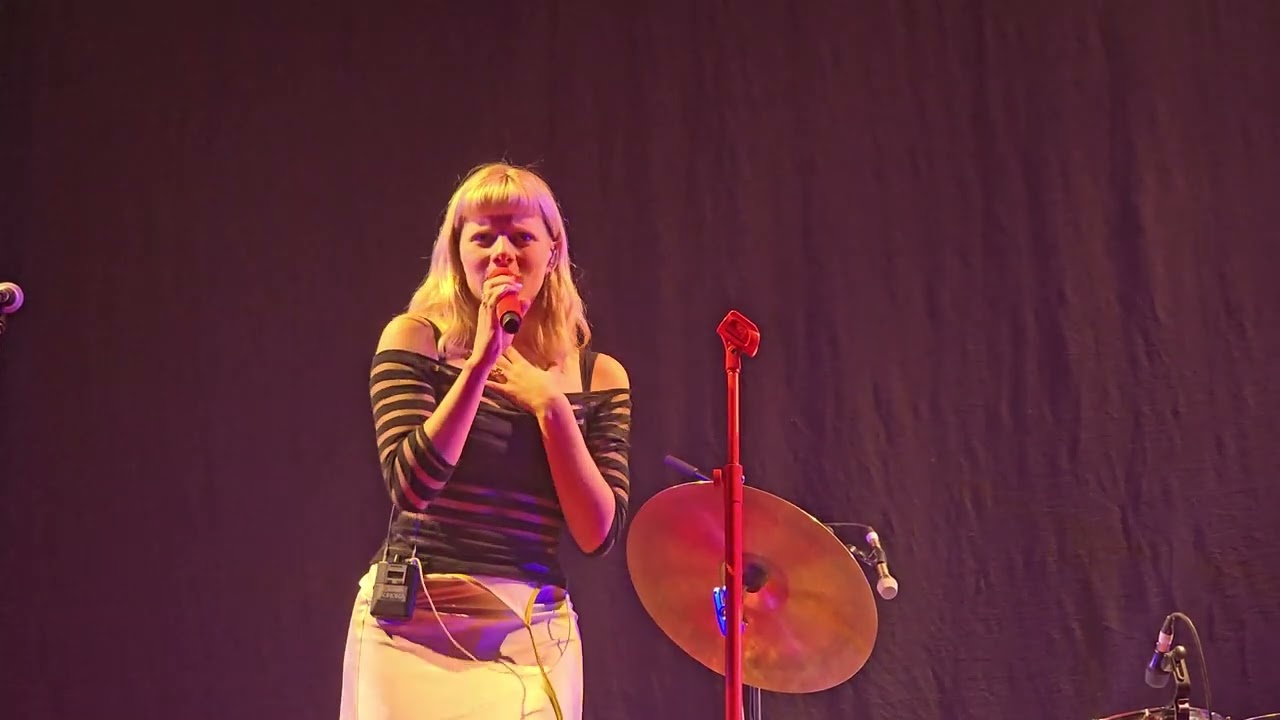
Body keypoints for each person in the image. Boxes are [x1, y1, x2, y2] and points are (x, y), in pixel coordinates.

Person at [339, 162, 632, 720]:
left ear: (552, 251)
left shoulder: (599, 378)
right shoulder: (414, 339)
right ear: (457, 252)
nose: (502, 251)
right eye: (483, 236)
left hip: (531, 634)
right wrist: (479, 363)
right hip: (414, 627)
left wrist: (550, 406)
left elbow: (598, 534)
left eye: (521, 236)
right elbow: (411, 486)